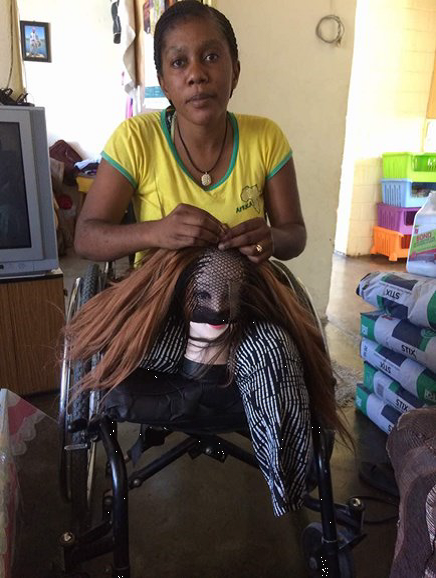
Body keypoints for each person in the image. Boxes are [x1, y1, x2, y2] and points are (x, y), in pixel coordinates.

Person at [73, 0, 343, 516]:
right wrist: (158, 231)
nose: (196, 73)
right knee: (204, 288)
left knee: (276, 351)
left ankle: (288, 490)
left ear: (235, 70)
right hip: (158, 310)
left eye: (211, 57)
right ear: (163, 80)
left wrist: (270, 238)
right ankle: (210, 361)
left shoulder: (265, 138)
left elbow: (295, 235)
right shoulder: (136, 140)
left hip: (244, 311)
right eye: (179, 62)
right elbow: (87, 236)